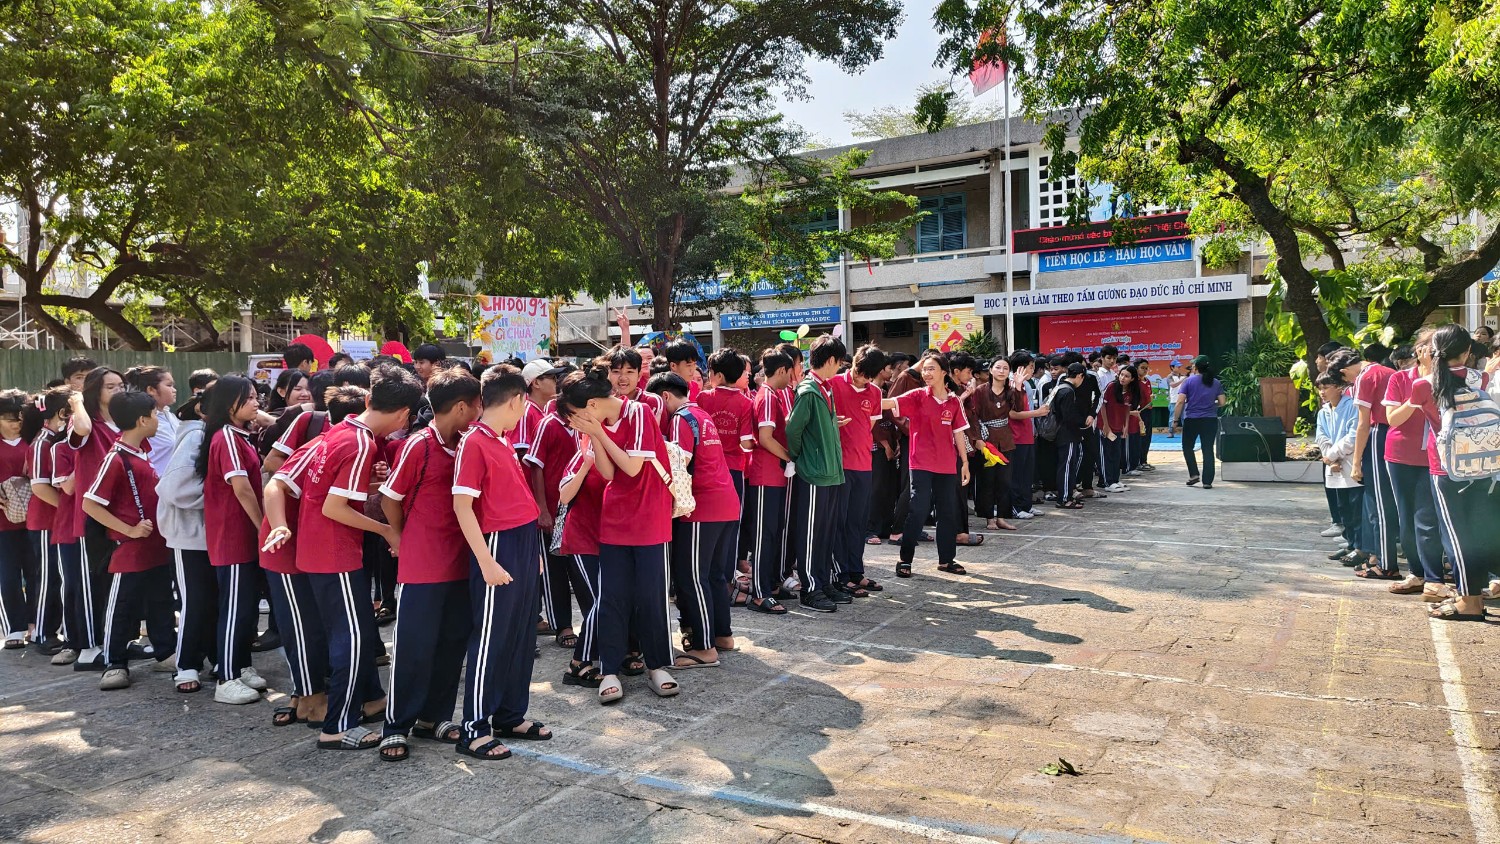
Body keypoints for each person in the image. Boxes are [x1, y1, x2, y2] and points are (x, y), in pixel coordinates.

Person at [299, 368, 416, 750]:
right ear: (404, 416)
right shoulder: (361, 443)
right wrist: (384, 530)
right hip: (335, 551)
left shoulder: (340, 430)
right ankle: (337, 725)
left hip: (318, 549)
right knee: (349, 639)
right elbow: (334, 507)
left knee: (349, 633)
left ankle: (363, 705)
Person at [375, 368, 481, 761]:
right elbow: (390, 498)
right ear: (459, 406)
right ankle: (396, 725)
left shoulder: (469, 444)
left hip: (461, 563)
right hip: (422, 566)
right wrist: (401, 537)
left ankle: (434, 717)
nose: (479, 412)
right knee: (414, 647)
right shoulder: (419, 445)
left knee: (452, 644)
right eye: (476, 406)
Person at [560, 367, 677, 706]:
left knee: (651, 595)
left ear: (592, 405)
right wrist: (596, 435)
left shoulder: (637, 412)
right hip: (614, 519)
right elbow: (609, 472)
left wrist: (598, 432)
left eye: (576, 413)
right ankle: (609, 669)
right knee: (612, 596)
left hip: (649, 517)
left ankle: (657, 665)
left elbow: (632, 467)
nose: (575, 421)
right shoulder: (598, 425)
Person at [451, 364, 549, 759]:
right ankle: (474, 727)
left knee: (520, 634)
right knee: (491, 638)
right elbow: (462, 506)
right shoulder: (474, 441)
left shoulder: (501, 440)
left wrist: (534, 556)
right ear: (517, 400)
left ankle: (510, 713)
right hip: (497, 545)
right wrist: (487, 561)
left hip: (522, 543)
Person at [82, 391, 177, 689]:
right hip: (130, 549)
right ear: (142, 420)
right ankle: (114, 661)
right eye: (155, 414)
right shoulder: (115, 458)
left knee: (161, 600)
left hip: (155, 547)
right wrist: (129, 530)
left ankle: (165, 652)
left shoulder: (141, 450)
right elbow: (90, 503)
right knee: (122, 605)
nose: (159, 419)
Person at [648, 372, 739, 665]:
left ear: (664, 396)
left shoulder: (680, 420)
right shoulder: (701, 413)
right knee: (714, 574)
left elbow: (679, 464)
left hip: (702, 507)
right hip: (725, 502)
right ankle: (722, 636)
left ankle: (703, 647)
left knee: (691, 577)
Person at [1406, 325, 1495, 621]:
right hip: (1484, 467)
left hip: (1446, 470)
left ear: (1433, 352)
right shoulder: (1479, 377)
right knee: (1482, 533)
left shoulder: (1424, 386)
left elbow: (1404, 415)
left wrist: (1427, 367)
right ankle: (1472, 594)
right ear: (1468, 352)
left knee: (1457, 537)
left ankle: (1469, 603)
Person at [197, 376, 268, 704]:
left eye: (256, 397)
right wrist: (262, 526)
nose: (257, 403)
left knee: (246, 606)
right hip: (233, 535)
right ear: (229, 405)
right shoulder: (226, 436)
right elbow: (241, 488)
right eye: (249, 398)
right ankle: (226, 677)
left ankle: (240, 665)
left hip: (243, 536)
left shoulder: (242, 434)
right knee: (235, 609)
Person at [882, 354, 972, 578]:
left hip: (946, 464)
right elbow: (890, 403)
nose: (927, 373)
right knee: (918, 509)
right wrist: (862, 393)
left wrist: (965, 462)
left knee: (946, 511)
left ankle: (946, 560)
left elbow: (958, 432)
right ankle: (905, 559)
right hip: (920, 463)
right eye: (924, 369)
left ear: (944, 372)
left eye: (931, 369)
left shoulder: (954, 402)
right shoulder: (917, 396)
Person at [66, 367, 126, 671]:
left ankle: (115, 639)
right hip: (92, 514)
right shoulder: (87, 423)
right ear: (96, 392)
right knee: (90, 581)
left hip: (121, 515)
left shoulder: (123, 424)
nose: (117, 390)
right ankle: (88, 647)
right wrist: (77, 402)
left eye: (121, 385)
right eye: (110, 386)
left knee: (115, 580)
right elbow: (82, 430)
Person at [783, 335, 849, 613]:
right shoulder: (809, 390)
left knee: (825, 533)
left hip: (831, 471)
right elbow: (792, 430)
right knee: (811, 533)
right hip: (814, 472)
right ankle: (810, 587)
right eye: (840, 363)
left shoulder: (825, 389)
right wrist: (802, 458)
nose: (841, 368)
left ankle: (823, 580)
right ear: (831, 360)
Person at [1382, 330, 1448, 601]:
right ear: (1417, 351)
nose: (1429, 353)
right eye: (1425, 348)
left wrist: (1433, 377)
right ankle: (1417, 573)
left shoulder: (1449, 380)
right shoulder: (1400, 378)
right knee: (1406, 518)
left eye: (1435, 349)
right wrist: (1416, 396)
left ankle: (1434, 577)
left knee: (1427, 518)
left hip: (1435, 457)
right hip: (1400, 456)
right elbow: (1393, 419)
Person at [156, 394, 215, 692]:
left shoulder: (216, 435)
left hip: (209, 536)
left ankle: (218, 658)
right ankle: (187, 664)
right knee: (194, 601)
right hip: (188, 537)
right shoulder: (195, 438)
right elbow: (174, 489)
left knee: (213, 600)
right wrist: (219, 498)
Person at [524, 384, 588, 650]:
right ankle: (562, 624)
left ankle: (591, 621)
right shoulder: (548, 424)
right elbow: (535, 466)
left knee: (582, 569)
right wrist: (542, 508)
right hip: (554, 507)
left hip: (581, 509)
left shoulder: (587, 424)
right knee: (554, 570)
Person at [828, 344, 888, 594]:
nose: (861, 378)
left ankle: (856, 571)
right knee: (839, 522)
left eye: (867, 376)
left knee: (858, 522)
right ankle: (841, 575)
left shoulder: (874, 392)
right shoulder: (833, 385)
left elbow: (870, 424)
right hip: (839, 465)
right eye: (858, 371)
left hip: (864, 463)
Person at [20, 387, 72, 654]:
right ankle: (42, 631)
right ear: (62, 413)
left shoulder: (57, 440)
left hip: (57, 521)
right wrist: (68, 509)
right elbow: (40, 487)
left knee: (57, 576)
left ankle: (55, 628)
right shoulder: (43, 443)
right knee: (47, 577)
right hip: (45, 522)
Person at [742, 350, 794, 613]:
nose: (793, 377)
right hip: (765, 474)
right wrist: (789, 457)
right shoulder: (767, 396)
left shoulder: (770, 395)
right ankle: (759, 593)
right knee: (764, 536)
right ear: (783, 370)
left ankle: (771, 584)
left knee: (774, 531)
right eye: (792, 371)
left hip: (775, 475)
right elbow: (765, 438)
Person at [1348, 343, 1400, 579]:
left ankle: (1385, 562)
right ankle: (1381, 557)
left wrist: (1356, 461)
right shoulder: (1392, 373)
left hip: (1380, 432)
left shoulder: (1365, 376)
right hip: (1397, 432)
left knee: (1379, 504)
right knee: (1388, 503)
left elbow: (1363, 423)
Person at [1313, 373, 1366, 570]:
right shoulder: (1323, 411)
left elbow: (1353, 435)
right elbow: (1321, 436)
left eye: (1326, 388)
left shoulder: (1352, 405)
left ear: (1339, 387)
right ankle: (1350, 543)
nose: (1322, 392)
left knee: (1356, 509)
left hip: (1350, 462)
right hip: (1334, 464)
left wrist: (1334, 455)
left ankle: (1361, 548)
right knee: (1343, 509)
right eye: (1320, 388)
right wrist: (1329, 457)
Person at [965, 357, 1018, 532]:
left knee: (1005, 481)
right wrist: (977, 438)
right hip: (986, 439)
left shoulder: (1010, 391)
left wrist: (1019, 388)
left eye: (1005, 368)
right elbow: (973, 416)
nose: (1001, 371)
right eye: (998, 367)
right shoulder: (980, 391)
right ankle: (989, 518)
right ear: (991, 370)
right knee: (987, 480)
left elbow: (1018, 408)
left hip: (1005, 439)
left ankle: (1002, 517)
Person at [0, 391, 31, 649]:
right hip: (2, 522)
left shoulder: (34, 440)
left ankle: (36, 623)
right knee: (8, 576)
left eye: (19, 417)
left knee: (37, 573)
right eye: (8, 417)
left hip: (35, 519)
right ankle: (14, 628)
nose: (15, 422)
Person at [1006, 352, 1049, 520]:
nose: (1033, 370)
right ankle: (1015, 507)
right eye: (1031, 367)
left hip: (1027, 435)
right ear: (1021, 368)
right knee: (1016, 474)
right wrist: (1037, 413)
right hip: (1015, 436)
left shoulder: (1027, 385)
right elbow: (1012, 413)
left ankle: (1026, 505)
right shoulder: (1011, 385)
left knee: (1027, 474)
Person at [1174, 356, 1225, 488]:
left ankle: (1194, 474)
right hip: (1210, 420)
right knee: (1207, 449)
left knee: (1187, 447)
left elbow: (1180, 402)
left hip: (1192, 419)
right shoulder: (1216, 382)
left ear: (1195, 367)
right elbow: (1222, 402)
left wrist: (1175, 420)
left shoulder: (1188, 381)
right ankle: (1207, 481)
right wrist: (1210, 405)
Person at [1049, 363, 1091, 509]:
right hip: (1067, 434)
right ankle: (1064, 498)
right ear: (1080, 376)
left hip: (1063, 433)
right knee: (1066, 466)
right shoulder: (1067, 391)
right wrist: (1083, 423)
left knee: (1067, 465)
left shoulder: (1060, 388)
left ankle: (1066, 495)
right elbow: (1068, 416)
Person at [125, 366, 179, 476]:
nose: (174, 390)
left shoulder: (171, 417)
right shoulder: (142, 421)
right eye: (169, 385)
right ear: (151, 390)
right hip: (154, 484)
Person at [607, 346, 663, 422]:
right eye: (616, 371)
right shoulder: (601, 403)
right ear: (608, 374)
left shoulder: (652, 401)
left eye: (629, 372)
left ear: (639, 375)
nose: (623, 378)